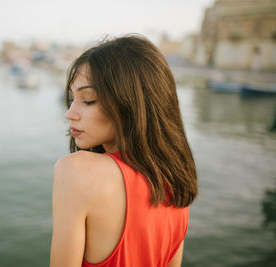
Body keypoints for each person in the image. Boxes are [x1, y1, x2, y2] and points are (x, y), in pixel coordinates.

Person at [50, 34, 198, 267]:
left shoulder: (76, 171)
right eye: (72, 98)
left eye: (88, 99)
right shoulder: (177, 180)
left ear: (130, 103)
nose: (70, 113)